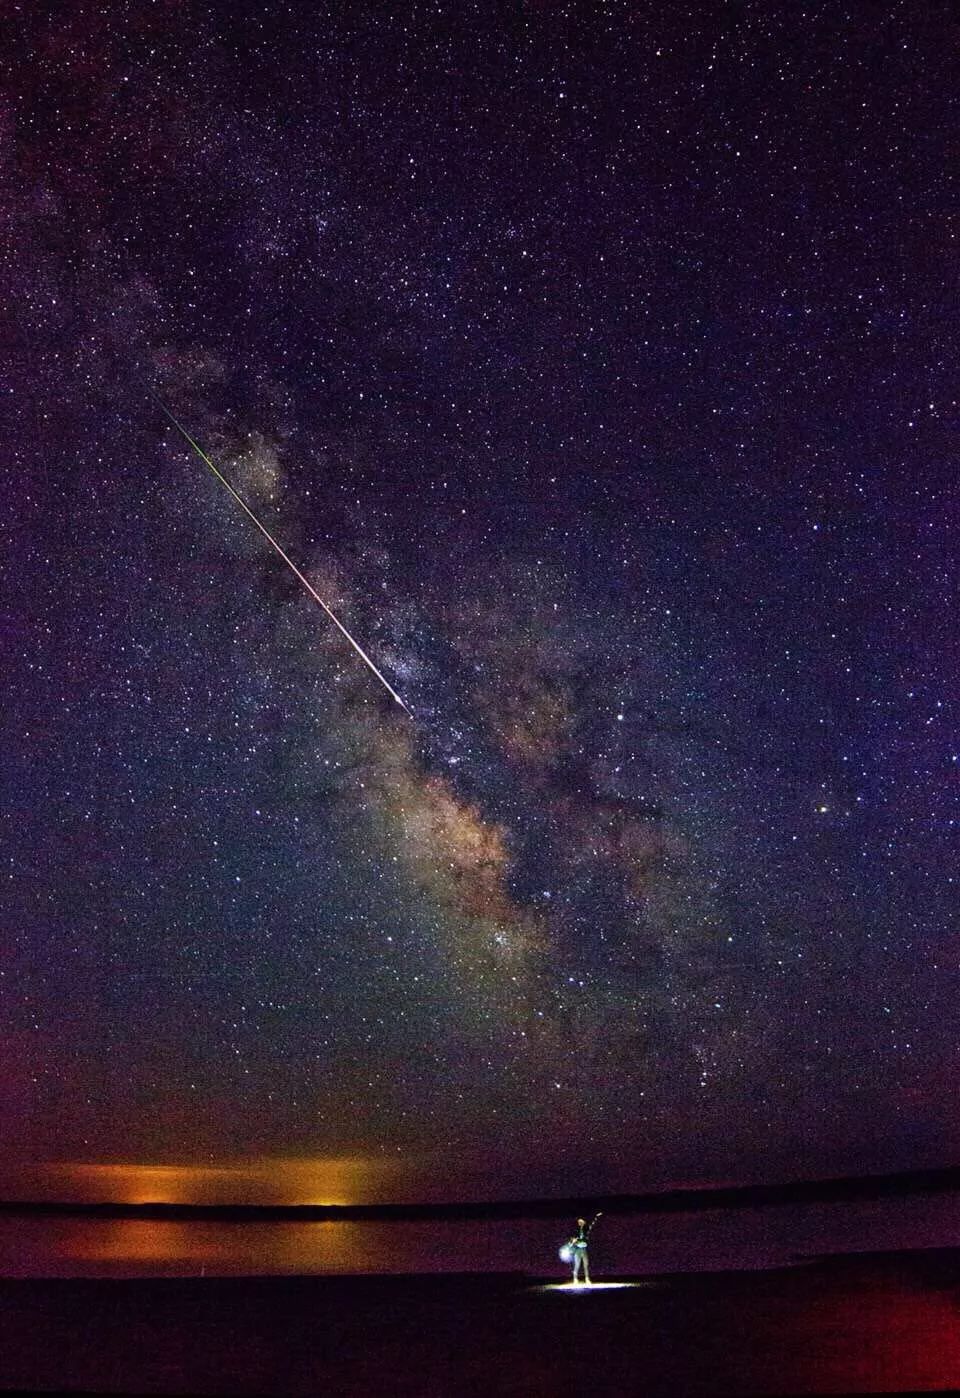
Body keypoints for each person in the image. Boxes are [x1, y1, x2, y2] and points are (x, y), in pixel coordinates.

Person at [568, 1213, 601, 1285]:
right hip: (578, 1250)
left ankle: (587, 1278)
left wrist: (596, 1217)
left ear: (584, 1222)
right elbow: (571, 1240)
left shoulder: (586, 1230)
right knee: (577, 1265)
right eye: (579, 1222)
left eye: (581, 1221)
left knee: (586, 1265)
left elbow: (592, 1224)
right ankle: (575, 1279)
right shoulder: (575, 1231)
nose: (580, 1223)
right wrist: (573, 1242)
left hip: (584, 1249)